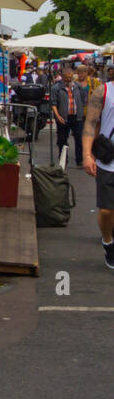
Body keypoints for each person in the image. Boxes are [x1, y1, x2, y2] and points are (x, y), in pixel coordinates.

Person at [83, 74, 114, 269]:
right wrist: (87, 154)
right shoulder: (103, 91)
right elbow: (90, 124)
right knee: (106, 209)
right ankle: (108, 241)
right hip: (109, 161)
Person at [52, 65, 84, 167]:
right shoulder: (56, 87)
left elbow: (82, 100)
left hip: (76, 116)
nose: (68, 79)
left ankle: (79, 160)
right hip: (63, 117)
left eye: (70, 77)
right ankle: (63, 159)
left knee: (79, 138)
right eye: (66, 77)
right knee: (62, 139)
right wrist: (58, 116)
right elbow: (53, 104)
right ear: (62, 76)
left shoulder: (78, 86)